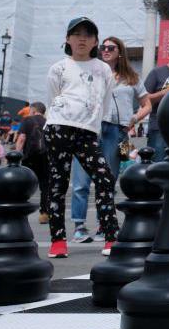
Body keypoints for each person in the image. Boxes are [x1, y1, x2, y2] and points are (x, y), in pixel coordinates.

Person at [43, 17, 119, 259]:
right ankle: (58, 240)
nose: (82, 38)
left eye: (88, 34)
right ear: (67, 39)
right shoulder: (58, 68)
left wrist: (94, 124)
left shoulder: (103, 69)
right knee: (58, 183)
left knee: (104, 178)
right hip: (59, 127)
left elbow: (104, 101)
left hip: (87, 132)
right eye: (76, 34)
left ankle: (110, 235)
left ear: (96, 41)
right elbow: (53, 97)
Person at [70, 36, 151, 243]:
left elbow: (147, 104)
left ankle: (102, 224)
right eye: (103, 47)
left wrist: (134, 118)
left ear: (119, 52)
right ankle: (79, 225)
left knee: (107, 180)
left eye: (110, 48)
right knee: (81, 180)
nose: (105, 50)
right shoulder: (90, 72)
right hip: (89, 128)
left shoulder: (131, 77)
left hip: (116, 131)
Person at [16, 101, 50, 224]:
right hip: (45, 157)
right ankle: (44, 213)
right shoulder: (49, 122)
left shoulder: (27, 120)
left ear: (34, 110)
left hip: (29, 157)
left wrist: (16, 154)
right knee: (45, 186)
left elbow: (21, 138)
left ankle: (20, 210)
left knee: (24, 183)